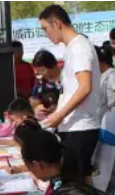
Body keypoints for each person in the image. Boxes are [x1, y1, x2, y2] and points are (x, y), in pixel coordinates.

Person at [39, 5, 103, 182]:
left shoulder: (79, 47)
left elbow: (85, 87)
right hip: (74, 126)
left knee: (75, 186)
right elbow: (74, 90)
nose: (45, 34)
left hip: (80, 128)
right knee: (82, 183)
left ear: (57, 24)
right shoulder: (72, 48)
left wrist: (60, 114)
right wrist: (56, 111)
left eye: (45, 28)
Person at [21, 129, 81, 195]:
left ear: (36, 165)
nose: (32, 173)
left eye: (30, 169)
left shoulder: (67, 190)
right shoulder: (64, 166)